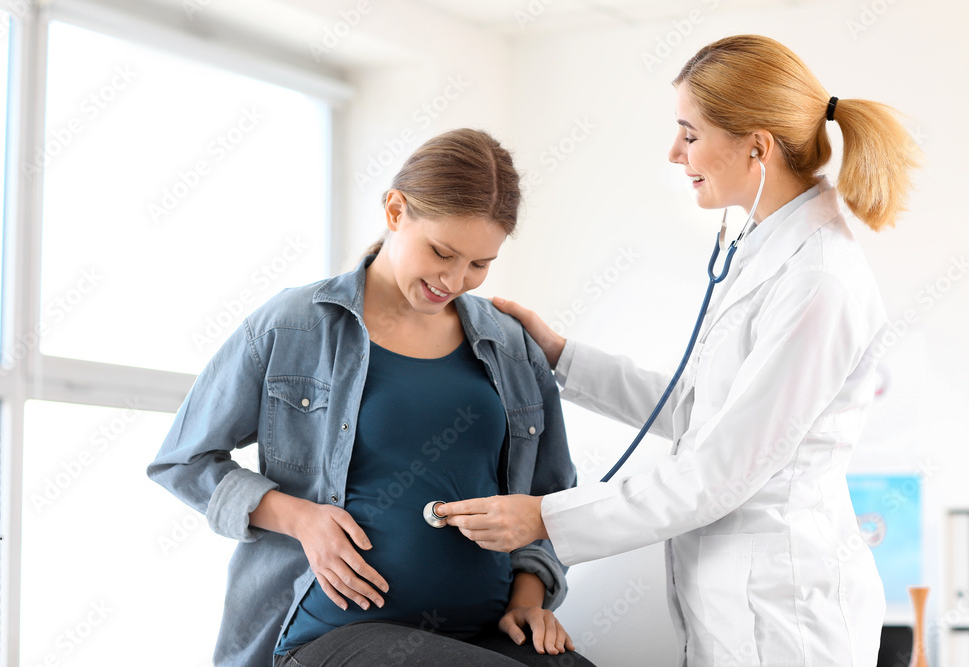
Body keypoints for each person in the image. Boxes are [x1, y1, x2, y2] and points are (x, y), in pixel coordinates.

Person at [438, 35, 922, 666]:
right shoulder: (767, 253)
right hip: (733, 602)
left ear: (757, 145)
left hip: (784, 616)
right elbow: (699, 409)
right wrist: (562, 356)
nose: (674, 153)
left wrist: (544, 518)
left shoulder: (818, 281)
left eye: (689, 135)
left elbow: (718, 470)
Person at [147, 128, 596, 667]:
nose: (454, 280)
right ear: (395, 210)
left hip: (483, 635)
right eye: (442, 252)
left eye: (479, 265)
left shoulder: (510, 344)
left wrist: (529, 600)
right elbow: (183, 459)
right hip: (328, 636)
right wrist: (299, 518)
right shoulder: (292, 326)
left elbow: (549, 496)